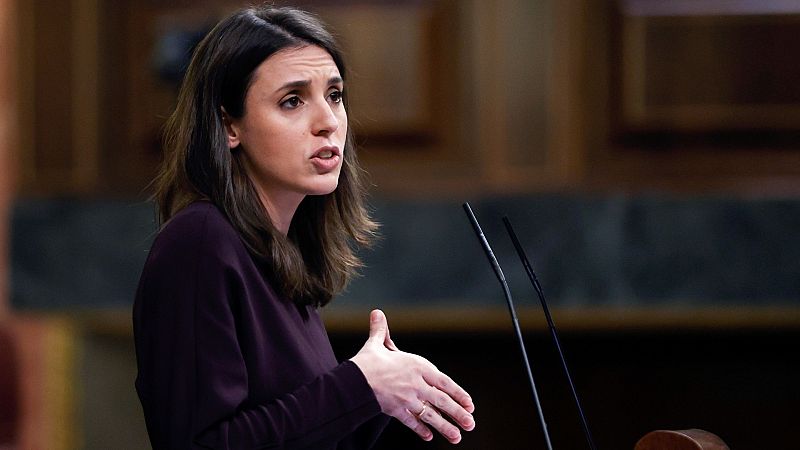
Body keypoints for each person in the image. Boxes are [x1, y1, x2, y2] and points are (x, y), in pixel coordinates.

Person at [132, 4, 475, 449]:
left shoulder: (279, 256)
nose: (328, 122)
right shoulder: (199, 242)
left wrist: (382, 396)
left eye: (334, 95)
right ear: (228, 124)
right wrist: (360, 386)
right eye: (292, 101)